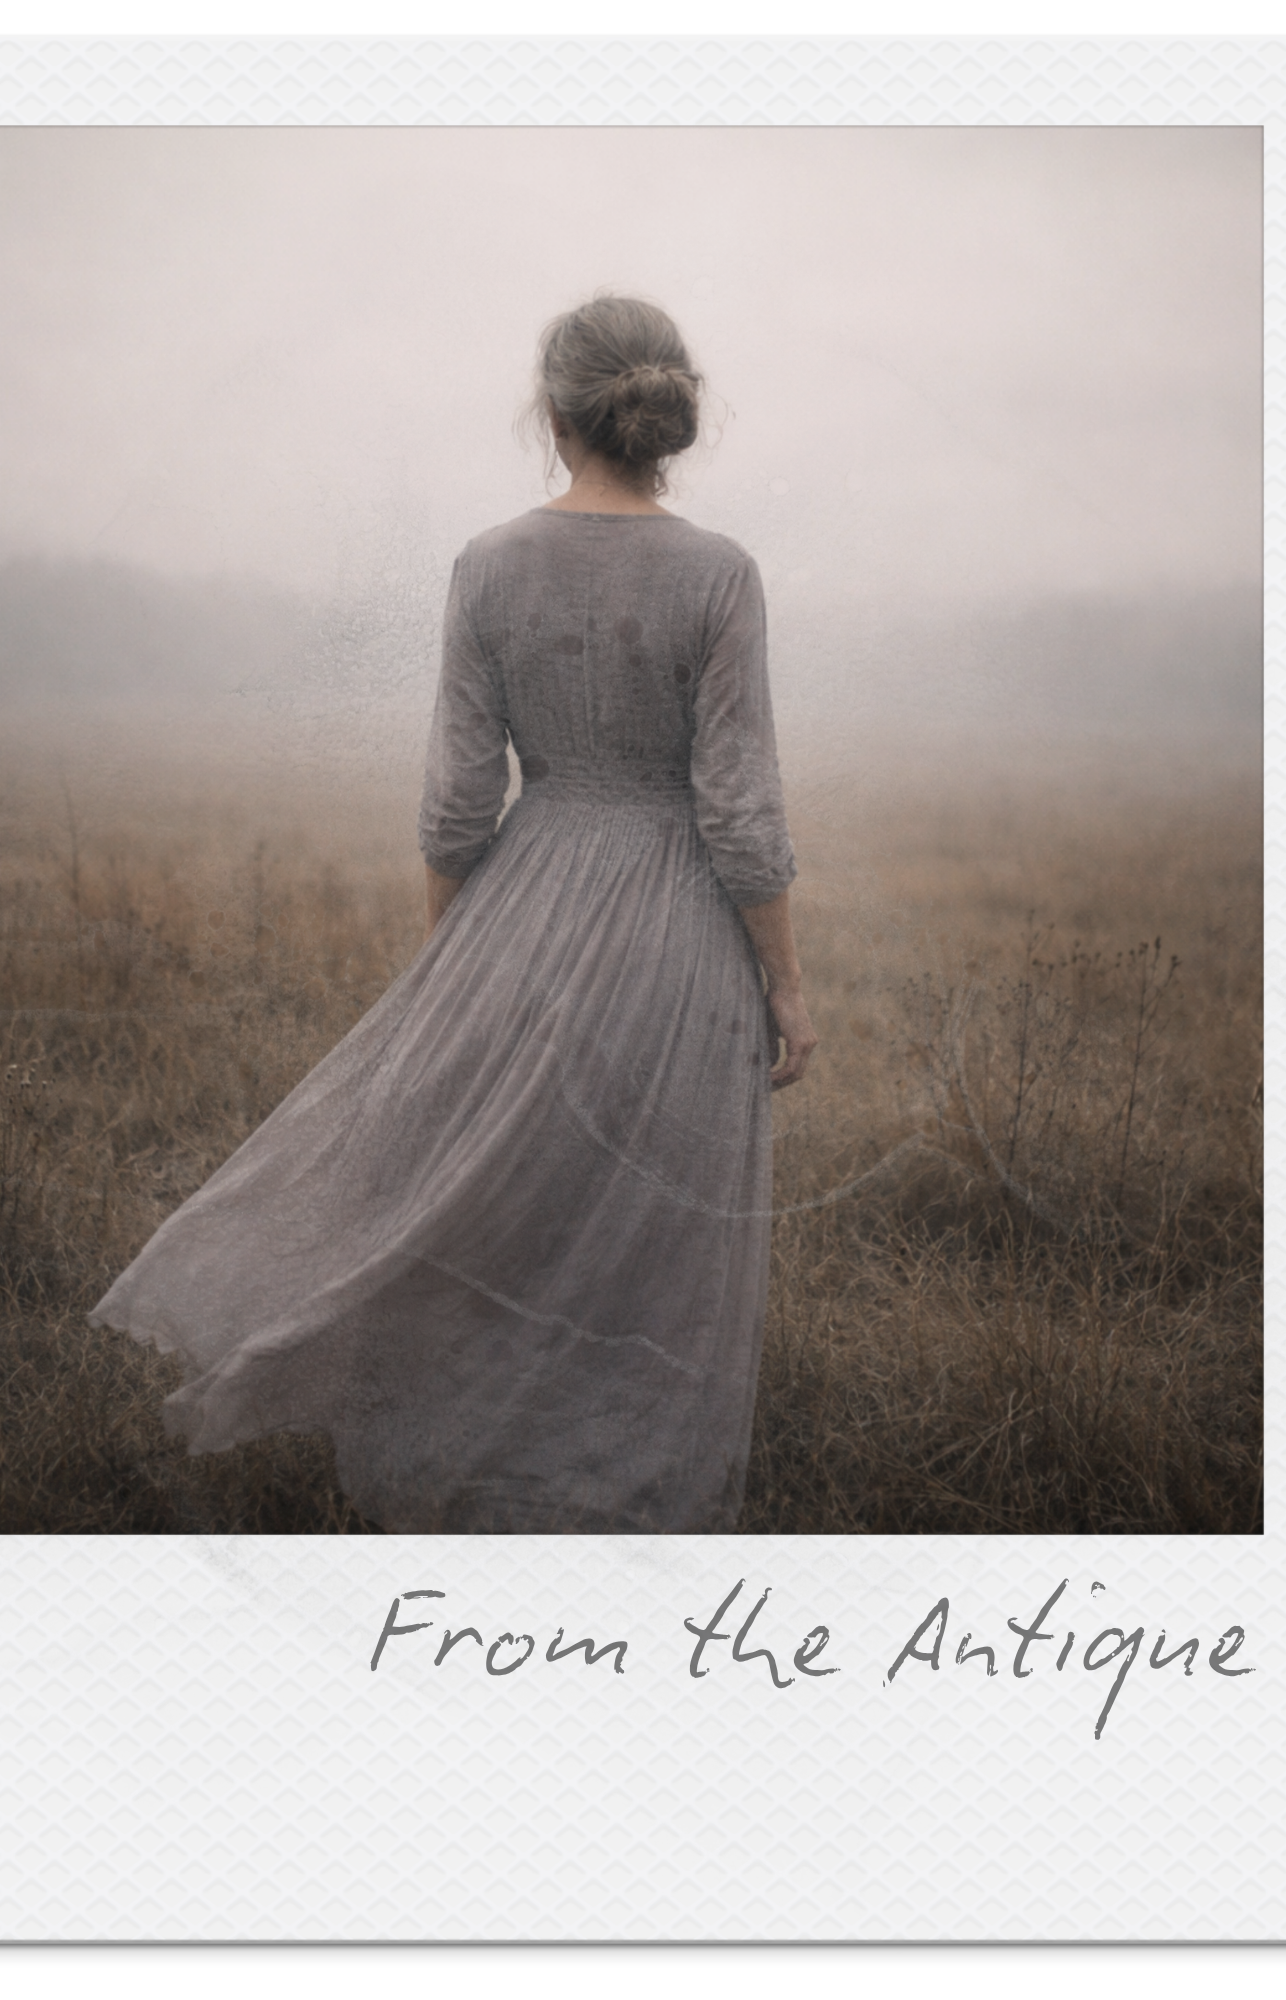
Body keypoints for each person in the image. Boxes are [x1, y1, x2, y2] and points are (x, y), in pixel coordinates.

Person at [89, 293, 818, 1532]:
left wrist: (451, 950)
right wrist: (787, 985)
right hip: (681, 930)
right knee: (650, 1227)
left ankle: (476, 1454)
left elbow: (454, 800)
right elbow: (738, 812)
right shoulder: (719, 576)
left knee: (498, 1207)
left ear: (550, 409)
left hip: (522, 904)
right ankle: (616, 1493)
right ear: (663, 414)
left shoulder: (488, 567)